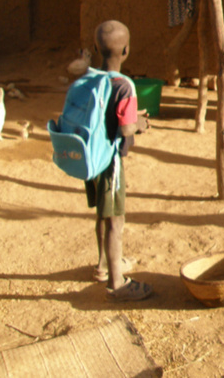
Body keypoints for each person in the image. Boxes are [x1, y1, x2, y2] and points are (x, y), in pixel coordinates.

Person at [90, 20, 152, 301]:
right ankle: (117, 283)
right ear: (126, 50)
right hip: (110, 161)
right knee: (116, 219)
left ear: (96, 49)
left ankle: (105, 264)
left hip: (91, 158)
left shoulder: (90, 78)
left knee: (102, 213)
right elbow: (126, 128)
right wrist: (141, 123)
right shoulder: (123, 85)